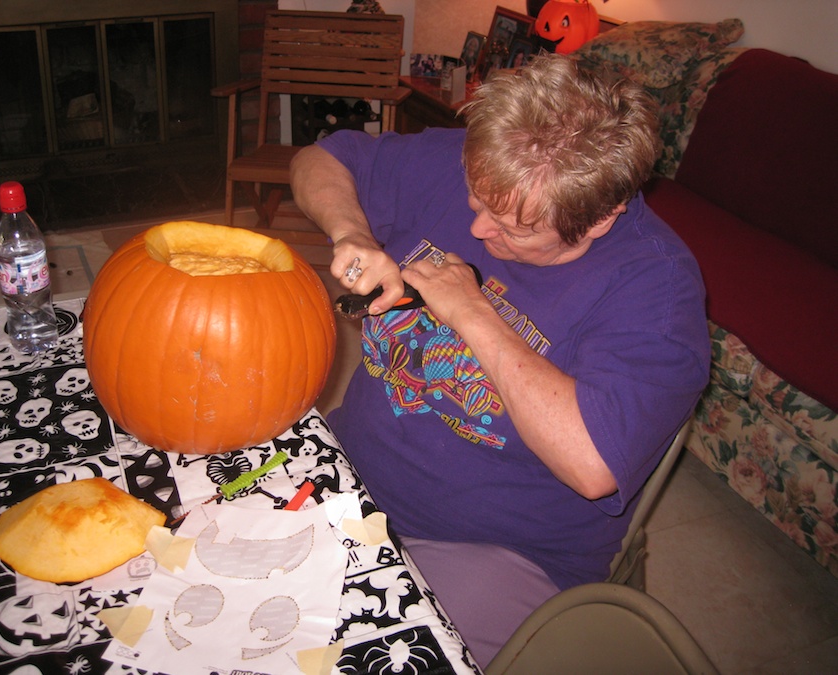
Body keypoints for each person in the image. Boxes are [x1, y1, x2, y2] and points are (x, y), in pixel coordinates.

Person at [289, 53, 710, 668]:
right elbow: (318, 158)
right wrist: (351, 231)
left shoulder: (657, 291)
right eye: (475, 197)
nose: (478, 226)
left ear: (600, 217)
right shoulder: (500, 168)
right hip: (348, 477)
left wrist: (474, 312)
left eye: (512, 226)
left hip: (491, 551)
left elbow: (593, 464)